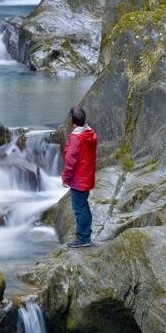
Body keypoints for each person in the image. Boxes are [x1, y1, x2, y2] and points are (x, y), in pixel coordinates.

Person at [62, 106, 98, 248]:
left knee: (79, 208)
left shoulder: (76, 138)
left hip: (78, 179)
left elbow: (71, 161)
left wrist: (65, 177)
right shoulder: (89, 133)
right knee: (84, 206)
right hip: (87, 175)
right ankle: (85, 235)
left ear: (72, 120)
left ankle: (83, 238)